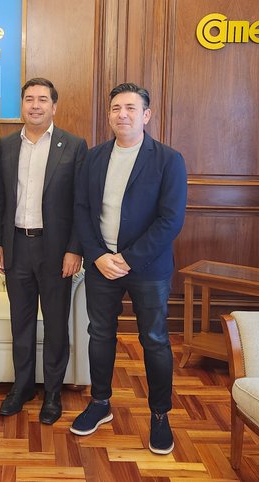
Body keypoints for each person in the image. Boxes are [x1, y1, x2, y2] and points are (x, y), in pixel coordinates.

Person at [70, 83, 187, 454]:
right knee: (100, 334)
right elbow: (81, 210)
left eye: (131, 108)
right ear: (109, 115)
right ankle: (100, 402)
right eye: (116, 108)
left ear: (146, 115)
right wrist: (98, 255)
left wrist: (128, 259)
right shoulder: (94, 157)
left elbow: (170, 220)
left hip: (148, 268)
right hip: (101, 264)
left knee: (154, 339)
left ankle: (160, 414)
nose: (122, 114)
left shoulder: (168, 160)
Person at [0, 78, 87, 425]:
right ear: (22, 105)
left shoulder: (73, 146)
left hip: (56, 250)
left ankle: (53, 393)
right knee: (22, 323)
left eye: (42, 99)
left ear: (54, 107)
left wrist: (75, 249)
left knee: (57, 325)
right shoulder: (5, 146)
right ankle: (23, 387)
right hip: (16, 245)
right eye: (29, 99)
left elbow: (81, 203)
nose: (35, 105)